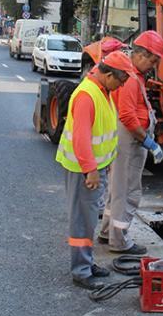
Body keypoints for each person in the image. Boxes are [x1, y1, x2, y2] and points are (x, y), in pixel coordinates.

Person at [55, 50, 134, 289]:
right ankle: (81, 270)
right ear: (108, 74)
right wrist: (90, 170)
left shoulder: (101, 89)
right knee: (82, 222)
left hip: (93, 168)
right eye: (120, 81)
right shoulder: (87, 95)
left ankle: (87, 263)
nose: (121, 87)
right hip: (83, 170)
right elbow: (81, 138)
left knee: (88, 220)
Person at [99, 31, 163, 255]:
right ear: (140, 54)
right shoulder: (129, 78)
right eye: (153, 60)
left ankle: (108, 231)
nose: (154, 66)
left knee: (117, 189)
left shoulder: (132, 73)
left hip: (127, 140)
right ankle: (119, 241)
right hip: (130, 141)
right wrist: (148, 141)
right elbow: (127, 116)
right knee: (128, 192)